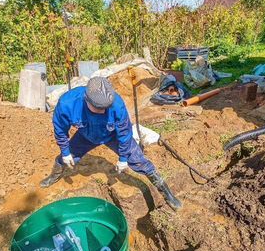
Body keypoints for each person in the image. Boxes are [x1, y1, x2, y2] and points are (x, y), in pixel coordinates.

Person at [41, 76, 182, 210]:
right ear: (86, 99)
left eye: (105, 108)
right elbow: (60, 130)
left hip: (111, 135)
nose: (102, 111)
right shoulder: (67, 104)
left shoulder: (117, 105)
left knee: (139, 161)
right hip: (85, 135)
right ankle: (53, 177)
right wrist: (65, 152)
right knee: (64, 159)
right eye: (98, 108)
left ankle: (167, 194)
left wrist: (123, 158)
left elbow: (125, 133)